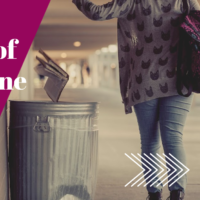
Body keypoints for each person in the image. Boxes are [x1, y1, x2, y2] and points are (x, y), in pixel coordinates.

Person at [72, 0, 200, 199]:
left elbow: (96, 13)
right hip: (179, 80)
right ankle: (177, 192)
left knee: (149, 142)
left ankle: (154, 193)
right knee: (173, 138)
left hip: (144, 82)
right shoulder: (184, 1)